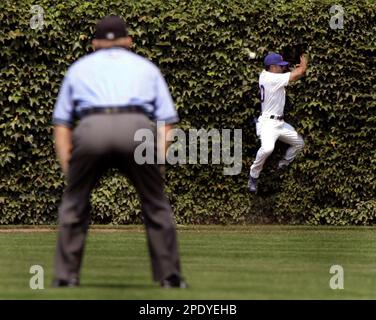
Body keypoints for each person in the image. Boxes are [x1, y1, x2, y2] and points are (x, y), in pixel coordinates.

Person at [51, 15, 187, 288]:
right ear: (129, 41)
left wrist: (69, 167)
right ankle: (170, 277)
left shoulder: (78, 69)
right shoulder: (146, 68)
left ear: (93, 44)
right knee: (155, 203)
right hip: (136, 128)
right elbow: (167, 121)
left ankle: (66, 277)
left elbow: (62, 123)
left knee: (75, 204)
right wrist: (158, 159)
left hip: (91, 128)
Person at [248, 52, 308, 193]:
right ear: (272, 67)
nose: (283, 69)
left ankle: (282, 164)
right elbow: (298, 73)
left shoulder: (264, 74)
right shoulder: (271, 79)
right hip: (269, 124)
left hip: (280, 123)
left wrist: (297, 72)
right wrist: (304, 63)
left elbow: (294, 75)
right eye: (280, 67)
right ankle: (253, 175)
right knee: (268, 148)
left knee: (300, 143)